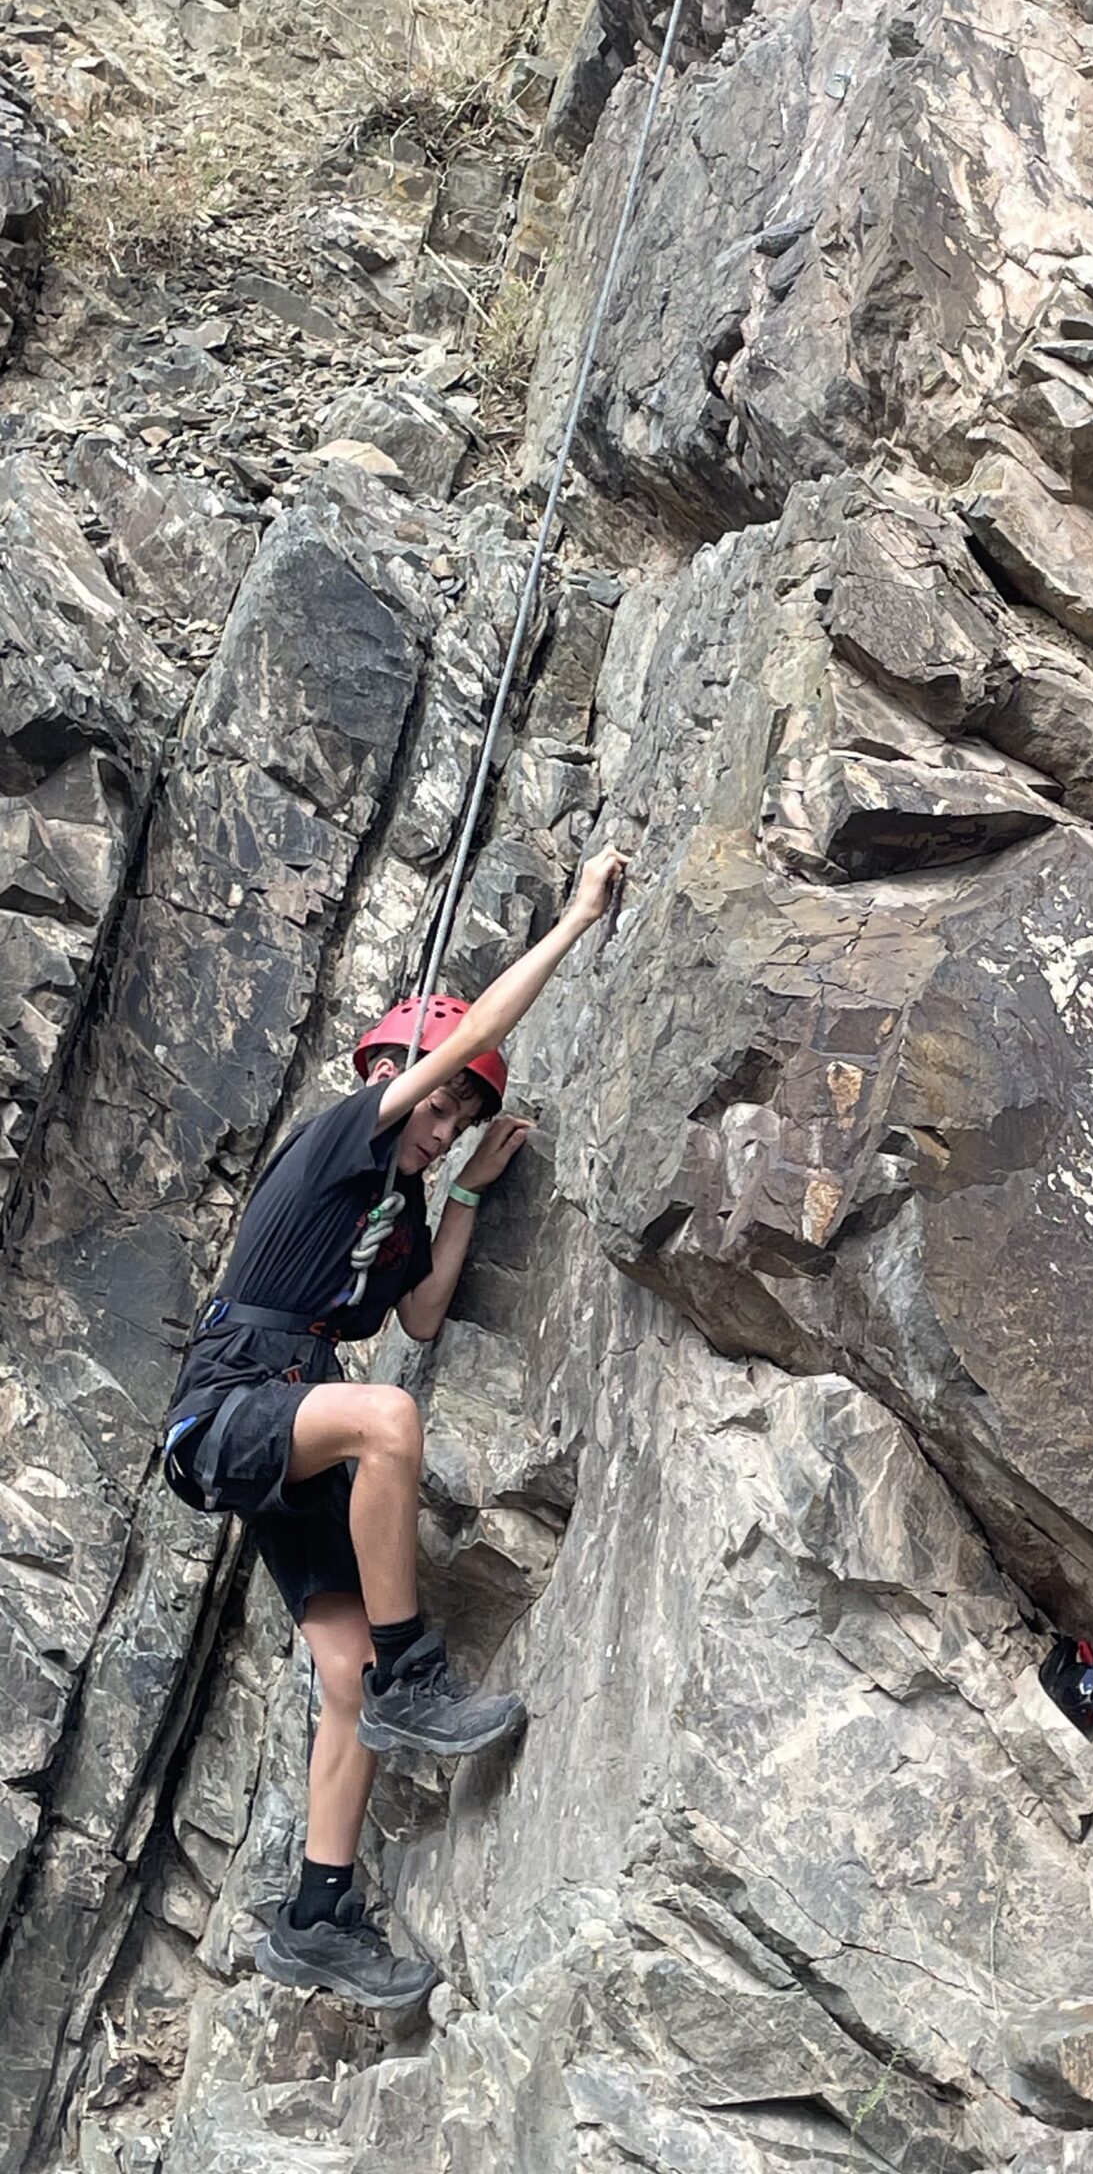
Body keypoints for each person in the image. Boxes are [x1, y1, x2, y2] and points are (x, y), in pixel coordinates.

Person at [158, 845, 628, 2009]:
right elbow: (472, 1038)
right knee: (386, 1417)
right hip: (234, 1396)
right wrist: (576, 919)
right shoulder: (343, 1137)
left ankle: (317, 1913)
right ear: (390, 1073)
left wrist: (464, 1191)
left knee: (343, 1668)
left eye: (460, 1112)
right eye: (439, 1098)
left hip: (288, 1420)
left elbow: (417, 1311)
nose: (445, 1118)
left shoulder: (402, 1204)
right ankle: (416, 1672)